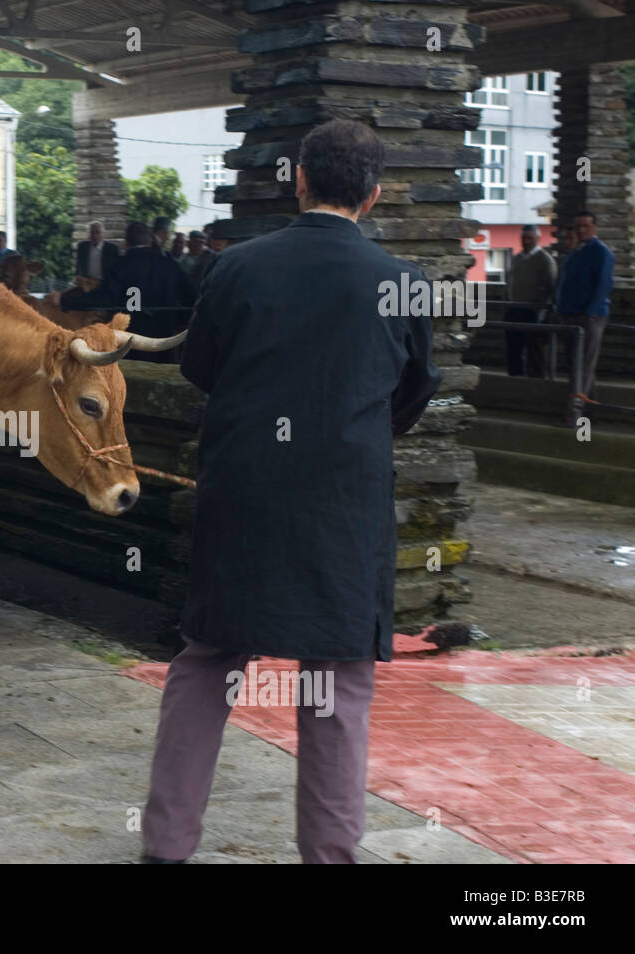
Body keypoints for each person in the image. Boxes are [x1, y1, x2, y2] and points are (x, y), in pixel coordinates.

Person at [142, 118, 441, 864]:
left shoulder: (236, 268)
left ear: (299, 180)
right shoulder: (403, 285)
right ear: (372, 196)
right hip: (343, 502)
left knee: (208, 662)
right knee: (337, 683)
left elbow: (199, 369)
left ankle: (166, 846)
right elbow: (412, 393)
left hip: (242, 489)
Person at [60, 221, 192, 361]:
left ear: (126, 243)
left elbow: (103, 298)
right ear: (149, 241)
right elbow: (191, 297)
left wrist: (64, 300)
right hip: (164, 340)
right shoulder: (170, 265)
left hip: (129, 341)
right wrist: (176, 321)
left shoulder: (120, 265)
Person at [553, 210, 615, 397]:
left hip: (589, 317)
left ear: (594, 227)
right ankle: (588, 406)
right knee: (573, 363)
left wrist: (590, 314)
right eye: (578, 226)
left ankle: (575, 410)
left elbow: (603, 285)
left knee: (584, 364)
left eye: (586, 226)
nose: (581, 230)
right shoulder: (574, 253)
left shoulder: (601, 252)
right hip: (569, 315)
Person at [504, 225, 556, 378]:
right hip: (514, 308)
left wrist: (542, 312)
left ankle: (536, 380)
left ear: (537, 239)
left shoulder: (545, 260)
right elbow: (509, 282)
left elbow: (549, 287)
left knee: (534, 349)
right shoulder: (516, 258)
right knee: (513, 347)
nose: (526, 241)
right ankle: (515, 377)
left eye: (530, 238)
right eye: (524, 238)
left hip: (533, 310)